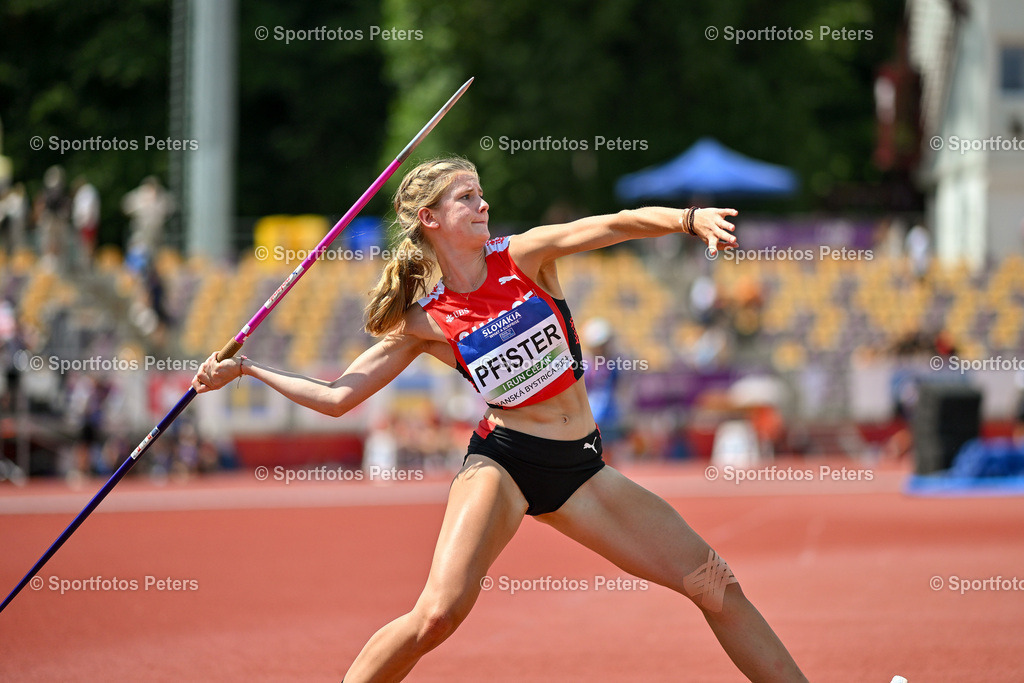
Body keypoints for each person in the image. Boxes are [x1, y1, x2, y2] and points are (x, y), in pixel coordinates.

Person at [192, 157, 807, 682]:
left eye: (481, 192)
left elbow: (612, 225)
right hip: (504, 461)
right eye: (466, 196)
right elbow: (337, 397)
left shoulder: (523, 256)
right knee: (438, 614)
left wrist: (688, 219)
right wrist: (247, 370)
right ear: (429, 219)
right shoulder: (426, 320)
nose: (482, 203)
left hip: (582, 469)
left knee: (713, 585)